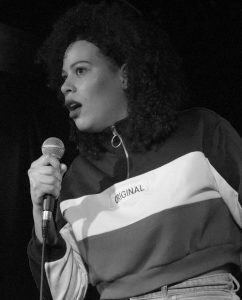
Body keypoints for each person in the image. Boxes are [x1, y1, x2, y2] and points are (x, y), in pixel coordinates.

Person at [27, 1, 242, 299]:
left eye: (80, 70)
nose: (66, 86)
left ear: (125, 75)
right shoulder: (75, 180)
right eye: (63, 76)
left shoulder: (201, 133)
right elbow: (65, 292)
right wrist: (40, 214)